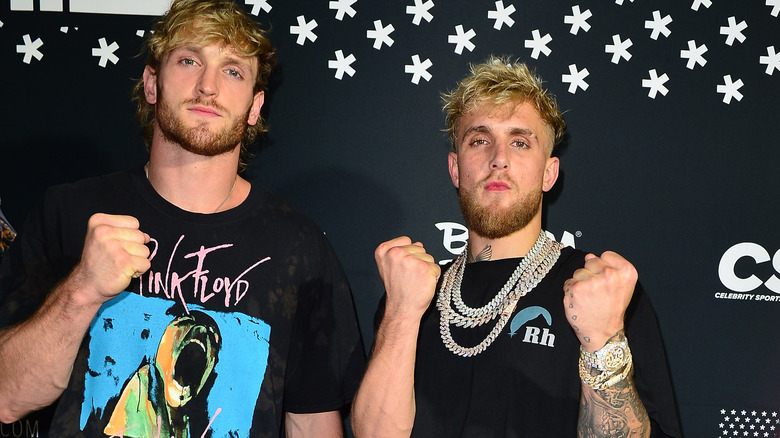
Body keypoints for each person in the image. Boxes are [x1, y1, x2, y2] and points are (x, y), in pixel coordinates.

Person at [0, 0, 365, 436]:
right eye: (189, 60)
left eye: (233, 71)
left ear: (255, 107)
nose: (208, 86)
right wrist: (81, 291)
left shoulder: (299, 248)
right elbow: (7, 398)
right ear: (152, 83)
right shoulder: (69, 213)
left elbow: (311, 425)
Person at [351, 57, 681, 437]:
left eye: (520, 142)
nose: (499, 159)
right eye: (479, 140)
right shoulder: (413, 291)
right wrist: (401, 314)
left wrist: (602, 341)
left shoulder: (604, 290)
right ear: (456, 169)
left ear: (549, 173)